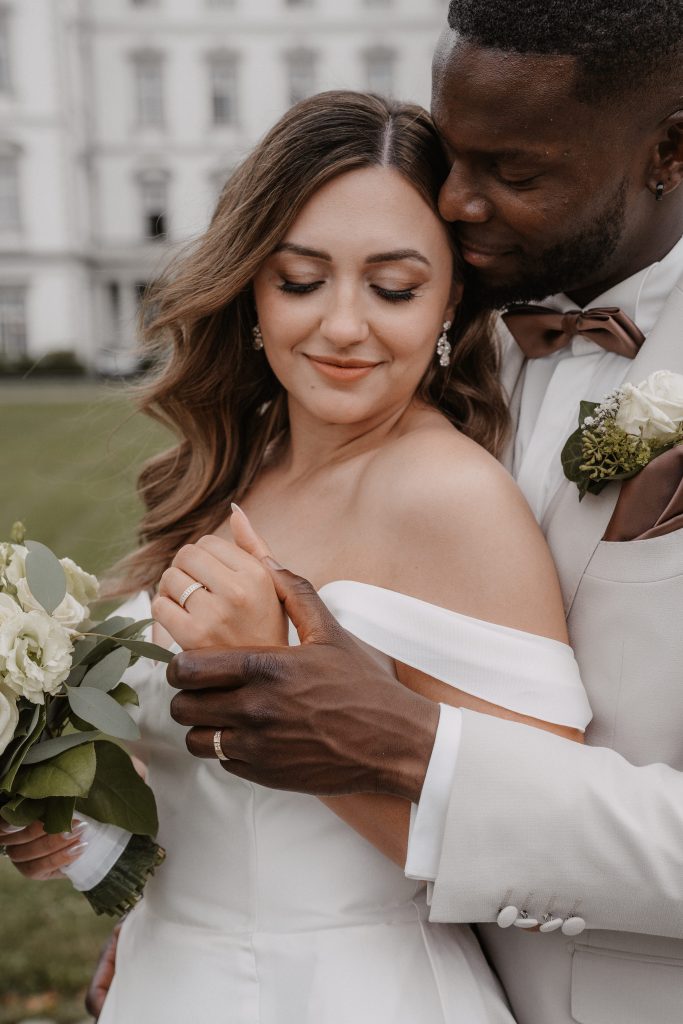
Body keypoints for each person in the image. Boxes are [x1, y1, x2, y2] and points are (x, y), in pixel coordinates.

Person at [2, 91, 591, 1022]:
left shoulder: (453, 499)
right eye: (300, 281)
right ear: (249, 291)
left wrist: (264, 684)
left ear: (448, 302)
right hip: (173, 980)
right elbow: (224, 815)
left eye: (393, 288)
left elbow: (543, 850)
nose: (343, 326)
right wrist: (81, 807)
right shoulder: (238, 461)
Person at [166, 3, 683, 1024]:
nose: (452, 203)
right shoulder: (424, 358)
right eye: (452, 159)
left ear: (668, 148)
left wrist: (409, 746)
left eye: (512, 173)